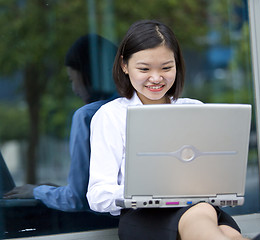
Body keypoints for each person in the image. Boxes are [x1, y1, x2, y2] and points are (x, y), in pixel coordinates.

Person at [86, 19, 251, 240]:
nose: (156, 78)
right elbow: (96, 195)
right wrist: (140, 191)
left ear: (177, 65)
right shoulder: (111, 116)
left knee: (225, 231)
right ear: (125, 65)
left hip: (202, 208)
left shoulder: (196, 110)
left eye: (166, 68)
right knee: (217, 228)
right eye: (144, 69)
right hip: (144, 215)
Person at [4, 34, 118, 212]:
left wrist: (37, 191)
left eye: (72, 80)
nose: (74, 89)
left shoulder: (87, 116)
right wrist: (55, 190)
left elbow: (76, 199)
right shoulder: (138, 106)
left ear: (88, 74)